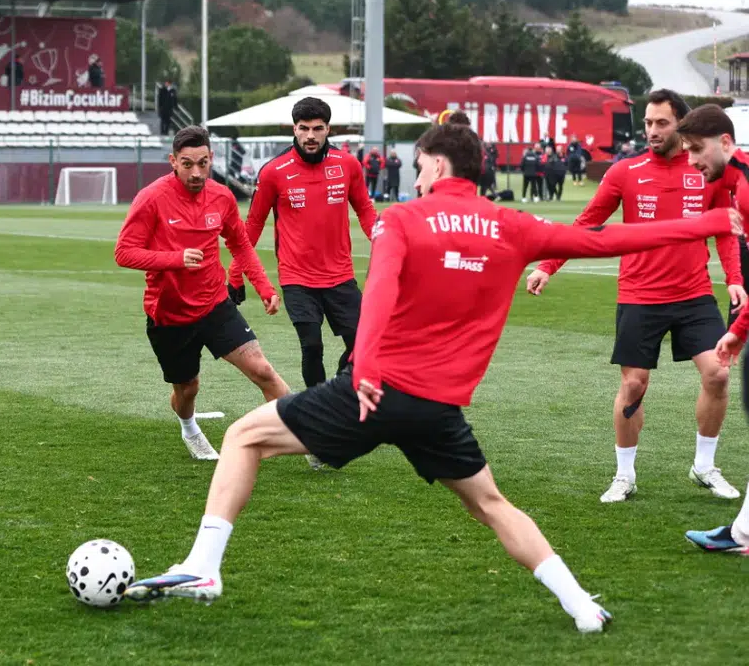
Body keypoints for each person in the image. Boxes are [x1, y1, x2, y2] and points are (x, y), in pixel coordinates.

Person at [124, 111, 744, 634]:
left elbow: (383, 292)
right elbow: (610, 243)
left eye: (420, 166)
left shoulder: (401, 220)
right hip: (438, 410)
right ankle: (581, 607)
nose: (416, 175)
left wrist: (364, 367)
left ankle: (204, 565)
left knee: (243, 436)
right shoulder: (513, 225)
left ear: (440, 167)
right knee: (492, 505)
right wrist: (715, 222)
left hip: (373, 390)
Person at [526, 90, 745, 504]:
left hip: (694, 294)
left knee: (718, 373)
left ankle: (704, 465)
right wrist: (547, 265)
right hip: (640, 295)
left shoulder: (706, 171)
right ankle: (625, 475)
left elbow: (723, 229)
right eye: (647, 123)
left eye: (661, 123)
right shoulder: (625, 172)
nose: (651, 131)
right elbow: (586, 224)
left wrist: (734, 277)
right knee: (633, 386)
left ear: (683, 126)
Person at [115, 125, 289, 460]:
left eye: (203, 163)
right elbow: (123, 252)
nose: (197, 172)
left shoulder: (221, 197)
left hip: (215, 304)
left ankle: (308, 438)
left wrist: (264, 287)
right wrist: (175, 260)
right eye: (187, 164)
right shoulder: (151, 198)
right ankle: (189, 429)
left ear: (211, 159)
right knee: (187, 388)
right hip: (169, 313)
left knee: (263, 371)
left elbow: (240, 244)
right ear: (173, 162)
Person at [230, 97, 375, 393]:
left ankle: (333, 392)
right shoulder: (274, 172)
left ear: (328, 130)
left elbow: (365, 210)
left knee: (364, 346)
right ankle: (318, 412)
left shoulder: (348, 165)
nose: (311, 136)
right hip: (298, 279)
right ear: (294, 129)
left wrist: (386, 243)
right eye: (304, 128)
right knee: (312, 347)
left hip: (340, 276)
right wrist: (235, 273)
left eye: (317, 128)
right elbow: (252, 225)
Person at [677, 105, 749, 553]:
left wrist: (739, 328)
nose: (691, 161)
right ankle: (742, 533)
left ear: (726, 143)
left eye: (697, 150)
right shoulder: (734, 185)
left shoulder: (745, 190)